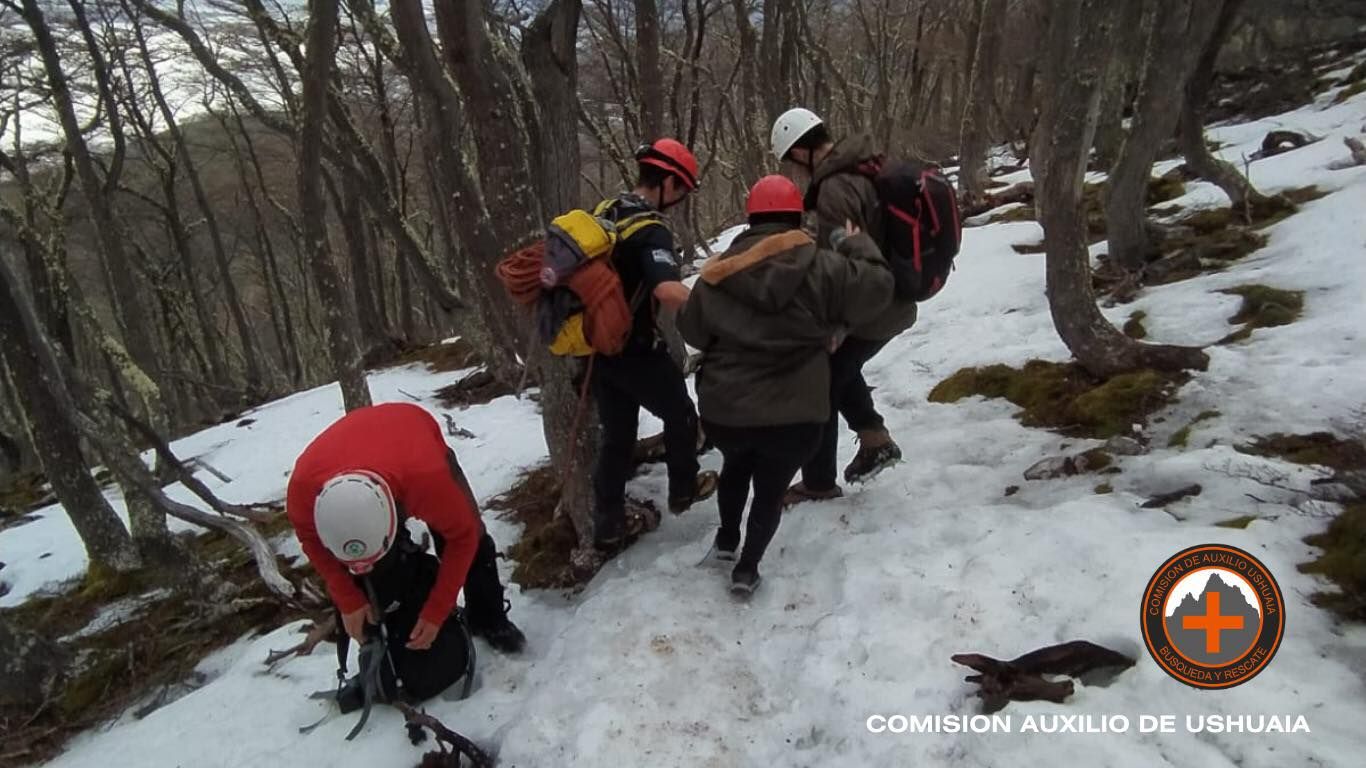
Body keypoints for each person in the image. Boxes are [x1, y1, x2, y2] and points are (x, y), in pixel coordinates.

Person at [678, 175, 893, 595]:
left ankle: (725, 540)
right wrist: (857, 245)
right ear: (798, 216)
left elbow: (694, 331)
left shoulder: (718, 273)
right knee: (771, 487)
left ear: (749, 216)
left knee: (736, 466)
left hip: (727, 411)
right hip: (795, 413)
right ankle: (747, 569)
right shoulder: (825, 267)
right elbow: (878, 290)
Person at [287, 402, 525, 695]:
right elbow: (312, 542)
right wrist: (348, 597)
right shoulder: (303, 493)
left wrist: (437, 610)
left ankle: (490, 618)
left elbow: (463, 538)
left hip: (411, 432)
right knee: (378, 571)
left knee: (471, 535)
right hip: (354, 455)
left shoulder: (428, 478)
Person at [769, 108, 918, 504]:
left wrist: (836, 326)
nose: (796, 171)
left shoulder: (835, 189)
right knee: (841, 370)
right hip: (894, 300)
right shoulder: (867, 166)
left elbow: (848, 267)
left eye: (792, 161)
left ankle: (818, 484)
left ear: (801, 152)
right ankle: (875, 439)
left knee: (821, 382)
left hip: (872, 307)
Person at [590, 138, 718, 552]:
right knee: (681, 415)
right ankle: (683, 489)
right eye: (680, 189)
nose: (680, 198)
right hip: (634, 348)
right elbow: (666, 290)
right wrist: (711, 308)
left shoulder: (605, 213)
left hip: (596, 350)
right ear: (666, 182)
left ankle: (607, 523)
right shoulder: (652, 230)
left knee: (617, 436)